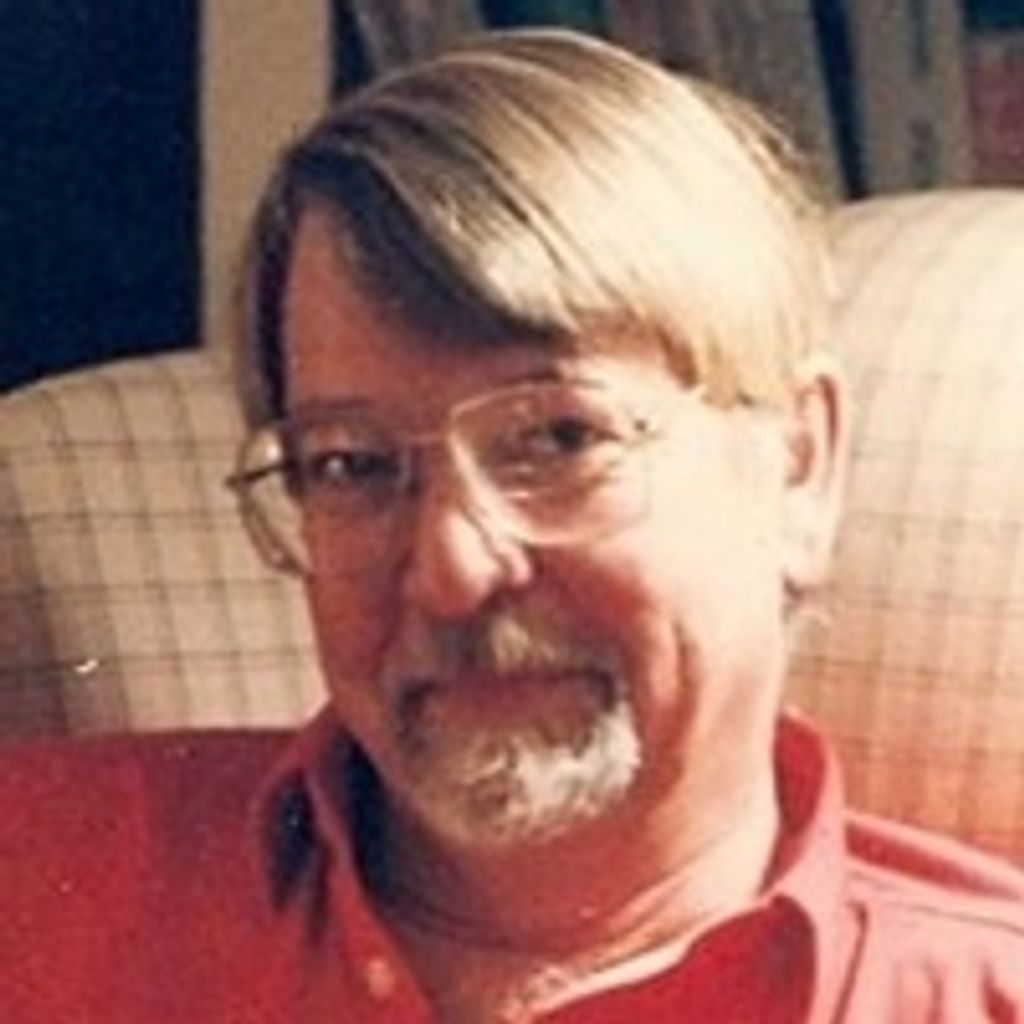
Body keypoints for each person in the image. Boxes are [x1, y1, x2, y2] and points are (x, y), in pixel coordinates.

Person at [2, 28, 1023, 1023]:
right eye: (351, 463)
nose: (452, 569)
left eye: (557, 439)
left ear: (800, 465)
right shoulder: (39, 884)